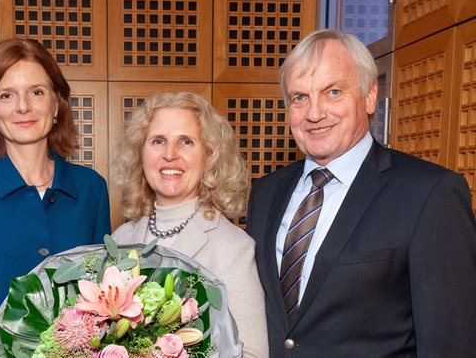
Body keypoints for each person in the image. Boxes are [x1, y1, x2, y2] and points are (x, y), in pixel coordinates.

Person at [246, 29, 476, 357]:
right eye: (300, 97)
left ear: (370, 96)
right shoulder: (266, 193)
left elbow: (450, 344)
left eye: (333, 91)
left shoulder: (430, 195)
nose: (314, 113)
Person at [0, 38, 111, 357]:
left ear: (56, 104)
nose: (23, 107)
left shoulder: (92, 188)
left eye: (36, 92)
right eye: (6, 95)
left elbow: (101, 302)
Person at [111, 92, 269, 358]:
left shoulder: (235, 249)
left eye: (186, 142)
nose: (169, 155)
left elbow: (254, 354)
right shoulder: (120, 238)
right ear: (140, 154)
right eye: (158, 141)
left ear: (210, 156)